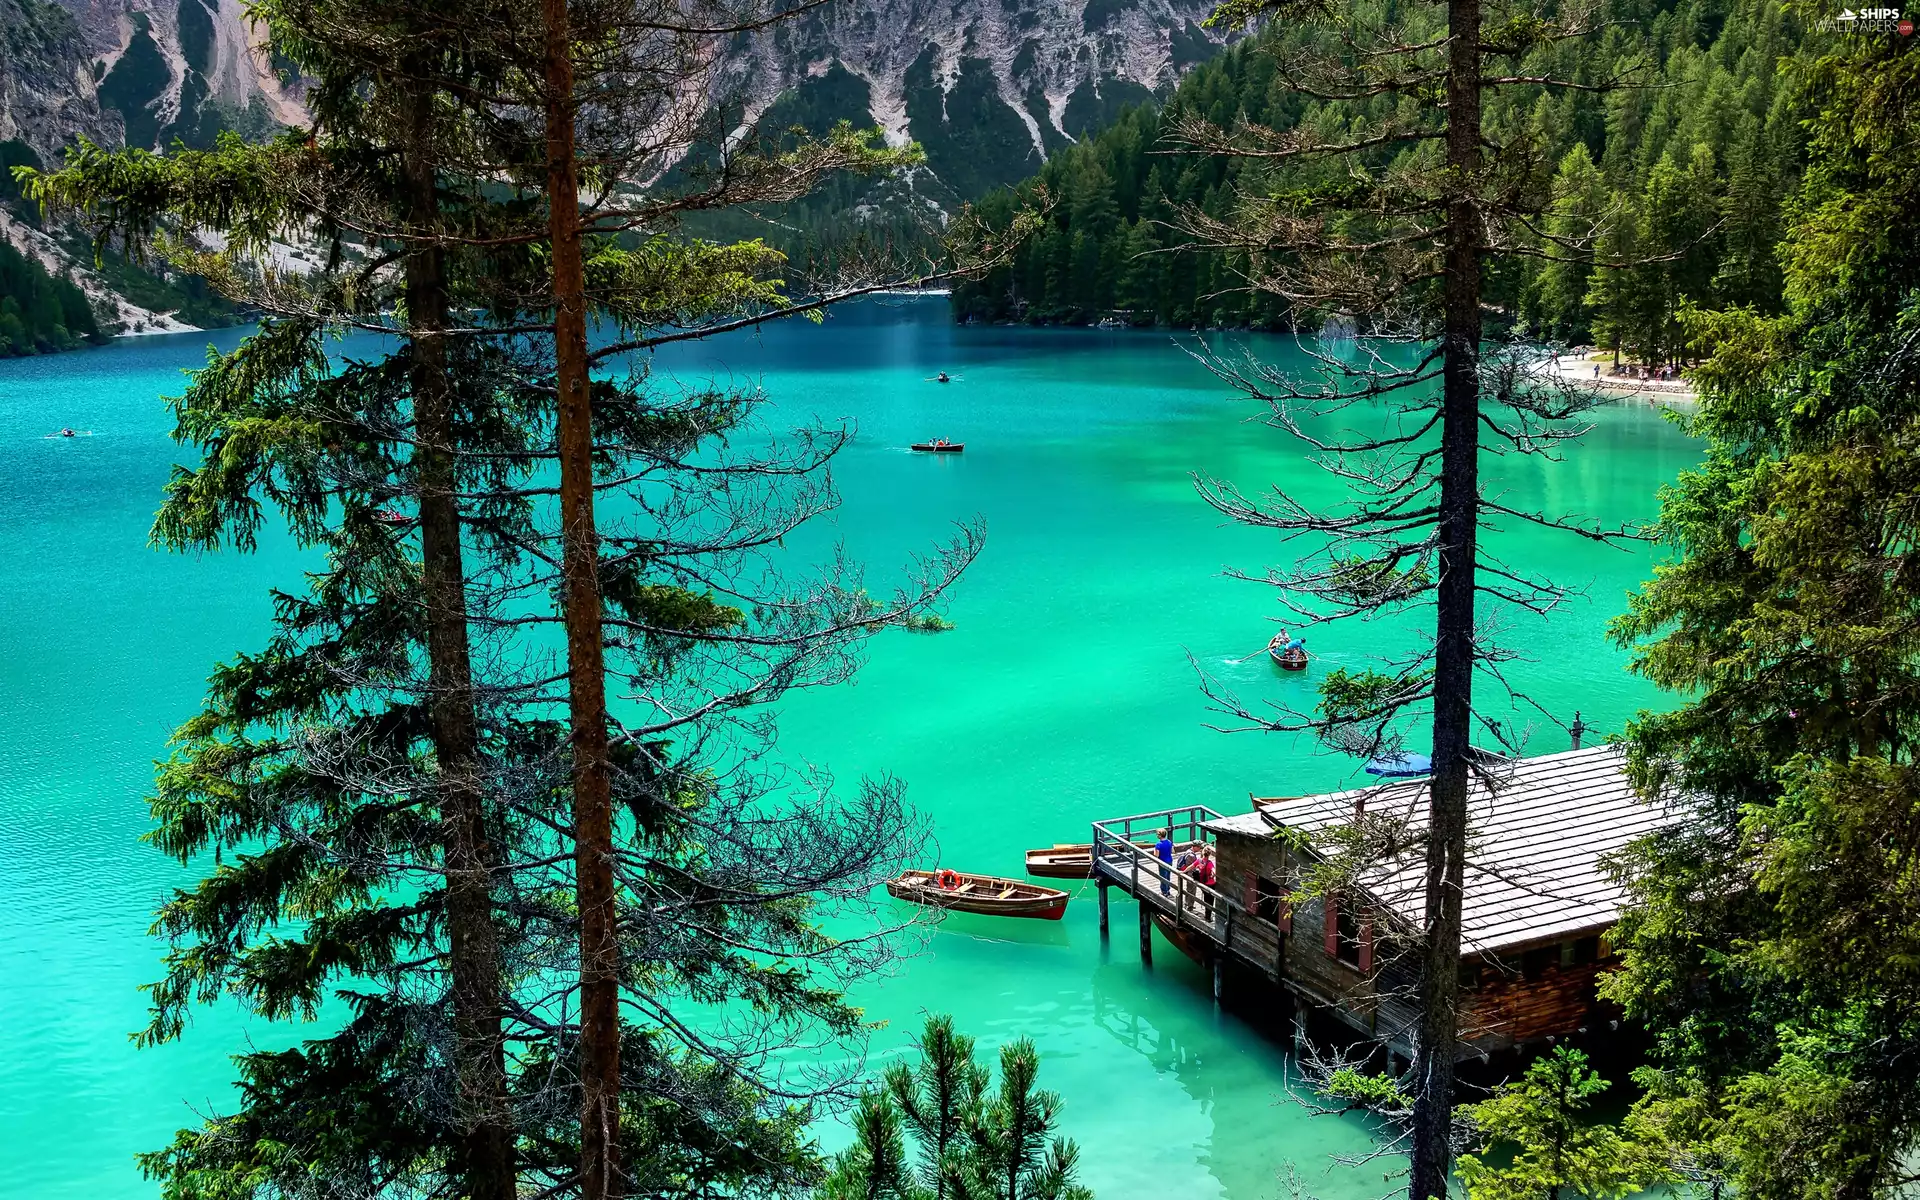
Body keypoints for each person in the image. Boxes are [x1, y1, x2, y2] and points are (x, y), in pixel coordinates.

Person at [1155, 827, 1174, 896]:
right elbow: (1173, 851)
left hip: (1162, 862)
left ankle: (1164, 891)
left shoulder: (1158, 844)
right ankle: (1168, 890)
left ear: (1160, 835)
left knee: (1163, 876)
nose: (1156, 835)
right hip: (1169, 860)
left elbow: (1156, 855)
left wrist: (1155, 851)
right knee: (1168, 876)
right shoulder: (1169, 842)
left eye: (1157, 834)